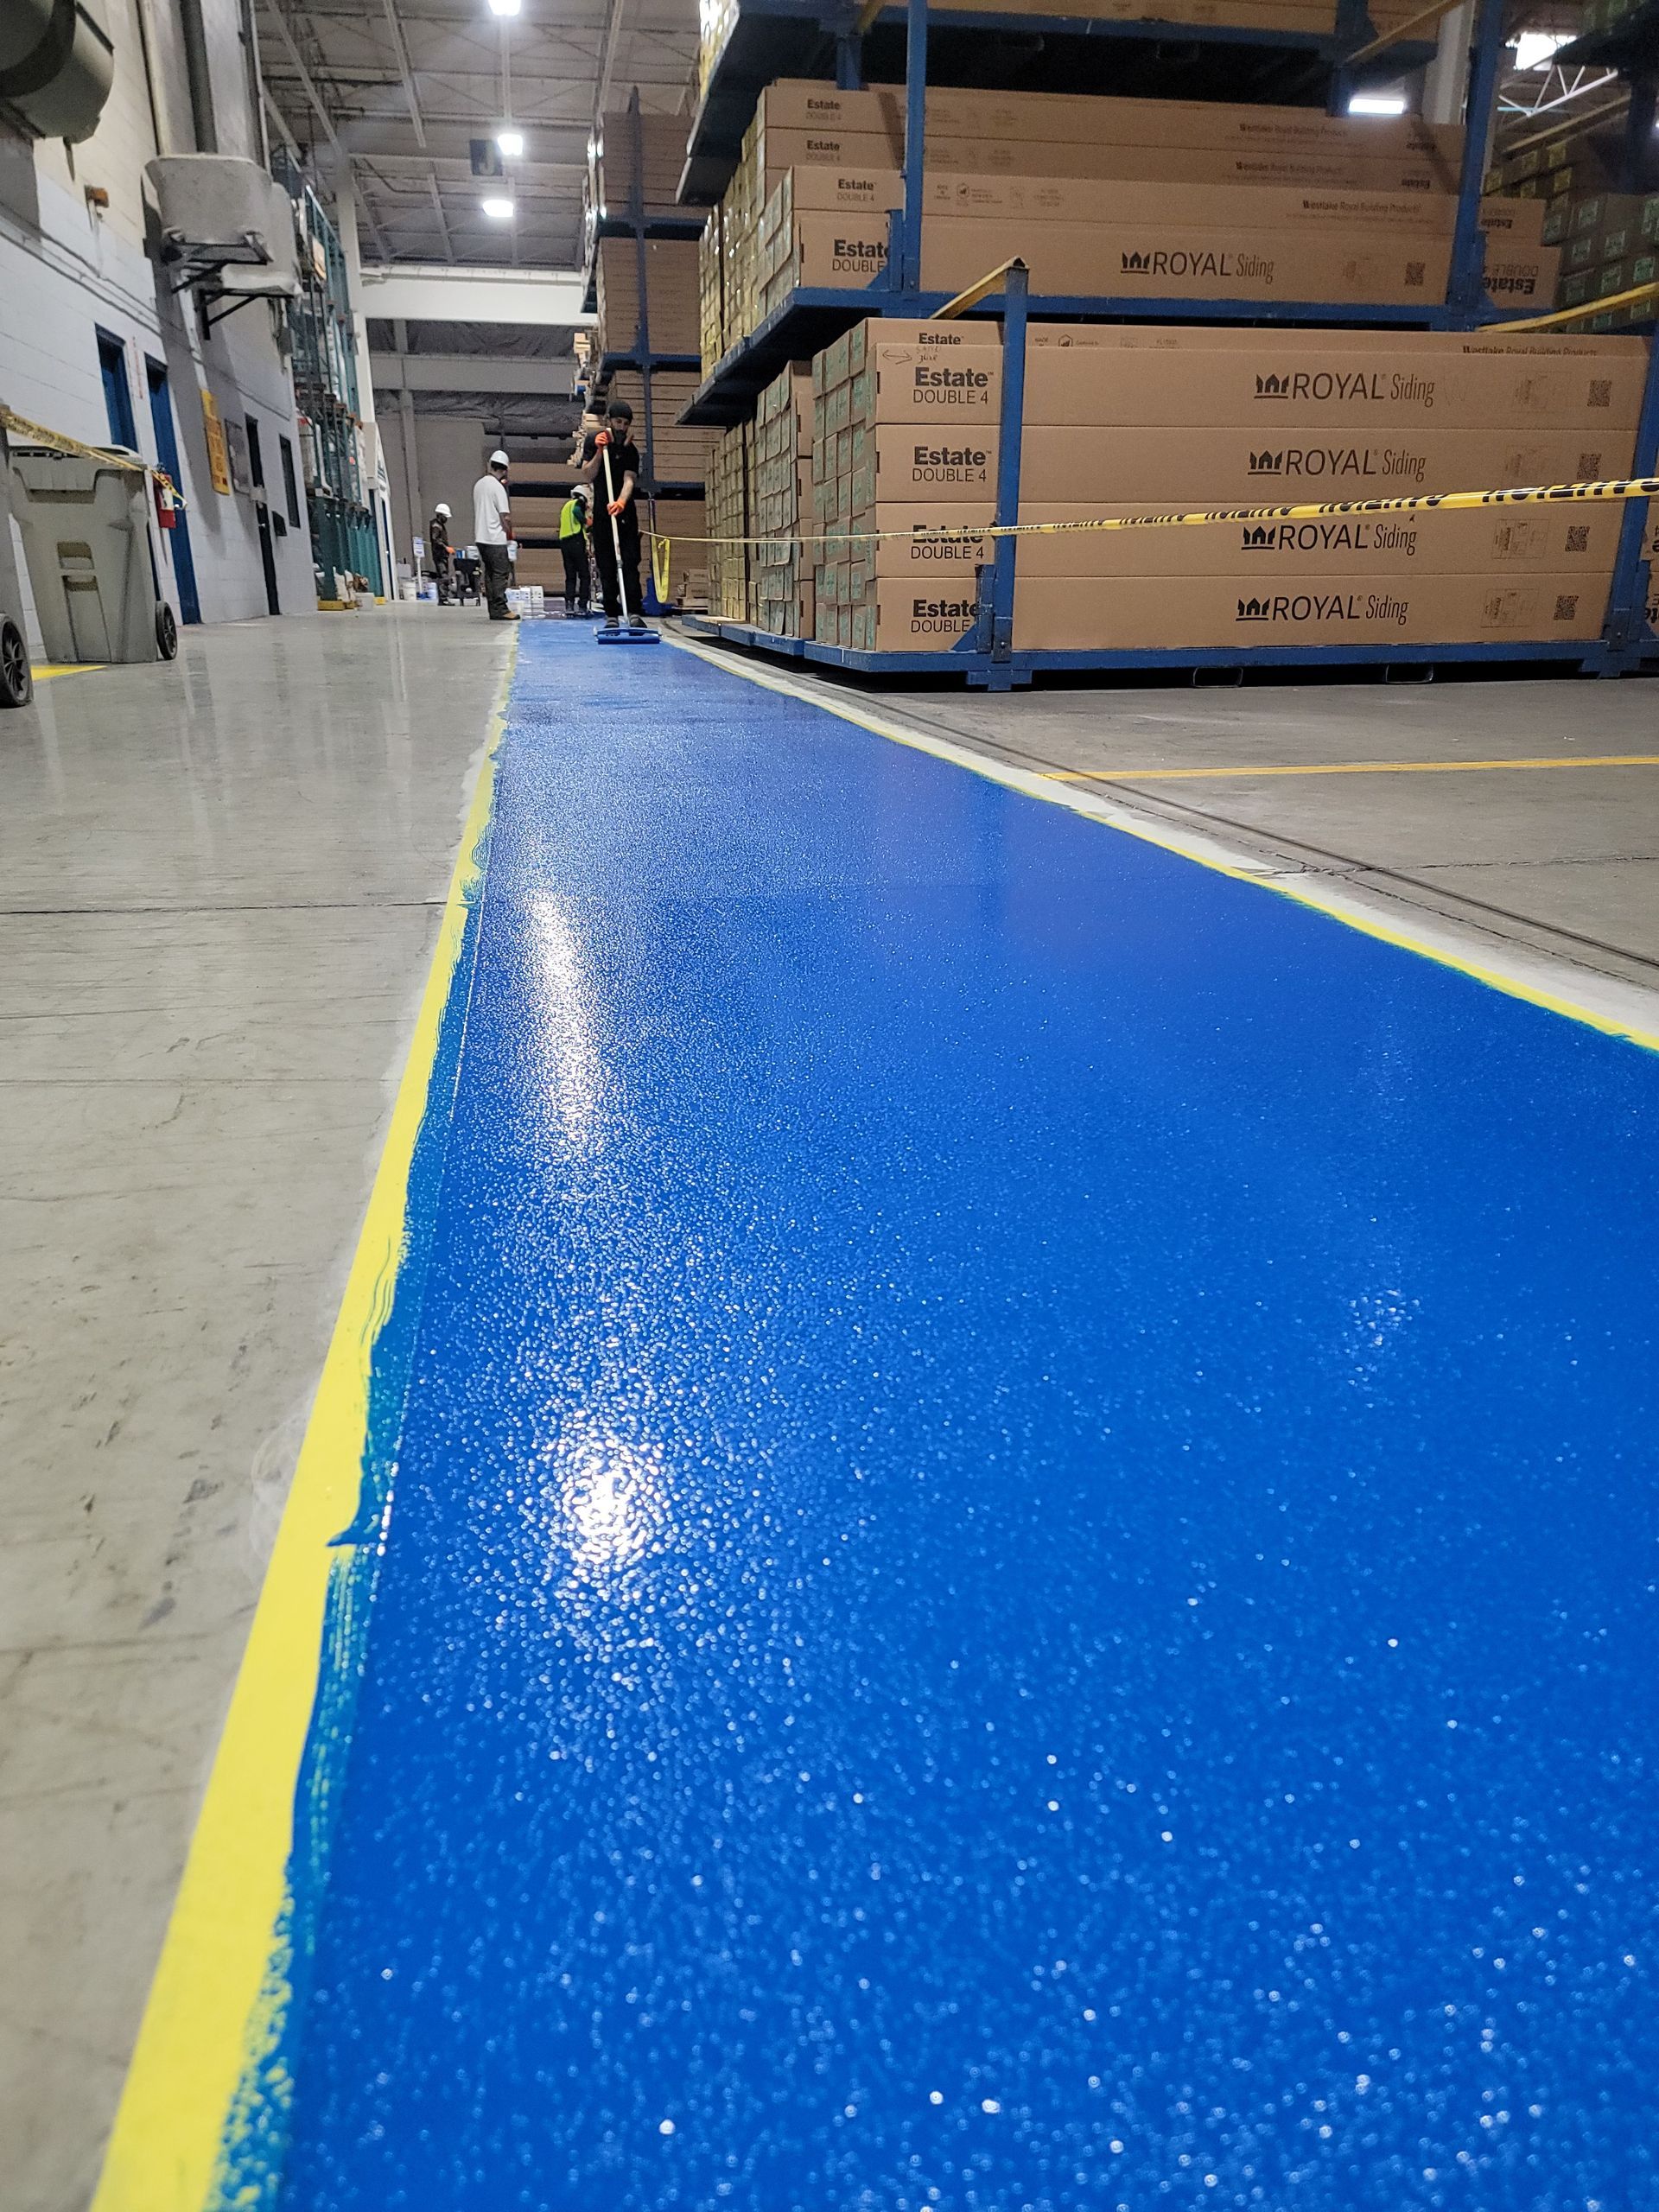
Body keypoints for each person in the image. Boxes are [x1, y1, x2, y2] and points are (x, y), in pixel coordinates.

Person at [579, 401, 644, 625]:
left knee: (629, 561)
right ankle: (612, 614)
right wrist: (599, 451)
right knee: (606, 564)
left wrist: (622, 502)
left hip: (624, 511)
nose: (622, 427)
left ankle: (634, 612)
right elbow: (587, 475)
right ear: (609, 420)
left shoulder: (630, 450)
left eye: (626, 423)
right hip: (601, 511)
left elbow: (629, 479)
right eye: (618, 422)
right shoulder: (593, 441)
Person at [472, 449, 517, 622]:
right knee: (501, 573)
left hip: (481, 538)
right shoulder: (497, 488)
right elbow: (505, 516)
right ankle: (501, 608)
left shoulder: (479, 485)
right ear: (505, 470)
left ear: (490, 465)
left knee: (490, 574)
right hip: (495, 538)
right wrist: (510, 534)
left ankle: (493, 608)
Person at [557, 485, 591, 615]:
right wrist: (587, 521)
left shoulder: (566, 506)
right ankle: (582, 605)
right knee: (584, 575)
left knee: (570, 576)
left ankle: (569, 605)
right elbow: (577, 513)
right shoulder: (578, 502)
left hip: (565, 543)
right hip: (576, 542)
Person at [429, 500, 453, 603]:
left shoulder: (439, 525)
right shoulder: (436, 526)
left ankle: (444, 597)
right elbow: (436, 539)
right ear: (440, 515)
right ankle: (443, 599)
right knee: (443, 576)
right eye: (445, 516)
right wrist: (446, 548)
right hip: (439, 555)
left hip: (442, 554)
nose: (446, 519)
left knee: (444, 575)